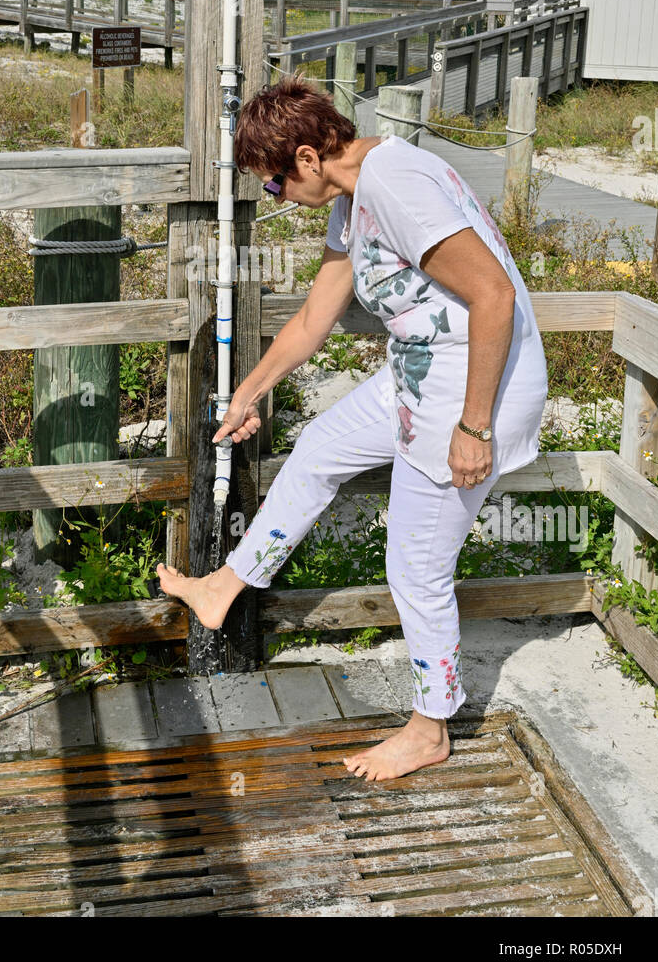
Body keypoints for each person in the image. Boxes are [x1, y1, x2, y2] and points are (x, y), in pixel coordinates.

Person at [156, 75, 548, 782]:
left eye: (273, 184)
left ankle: (431, 726)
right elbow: (313, 321)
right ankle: (224, 587)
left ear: (306, 157)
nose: (277, 199)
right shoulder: (352, 199)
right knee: (322, 447)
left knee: (416, 567)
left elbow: (494, 296)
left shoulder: (397, 185)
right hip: (417, 376)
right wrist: (246, 394)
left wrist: (475, 427)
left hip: (470, 391)